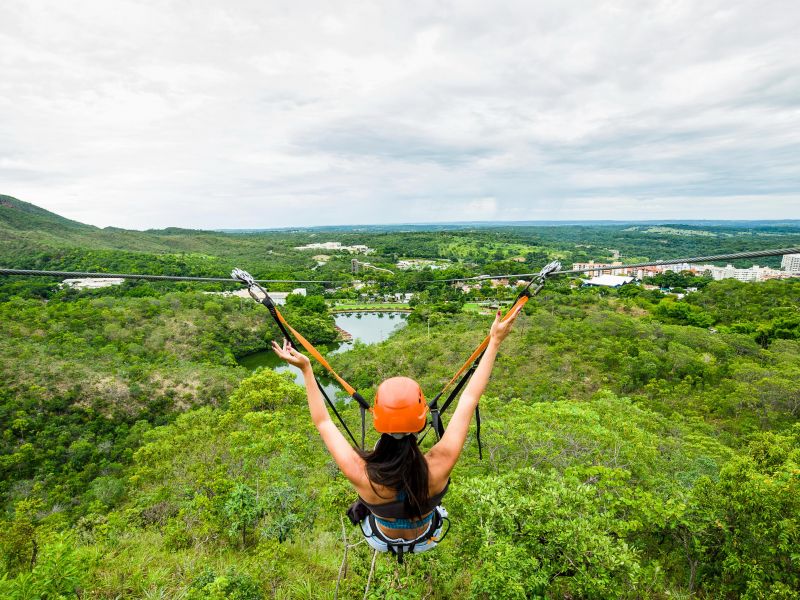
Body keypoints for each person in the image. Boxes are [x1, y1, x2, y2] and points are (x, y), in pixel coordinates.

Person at [271, 307, 522, 559]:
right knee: (436, 513)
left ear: (377, 419)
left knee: (373, 513)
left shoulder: (362, 473)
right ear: (422, 421)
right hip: (426, 538)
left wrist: (306, 369)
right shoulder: (439, 463)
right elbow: (469, 398)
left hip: (380, 539)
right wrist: (495, 341)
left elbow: (323, 422)